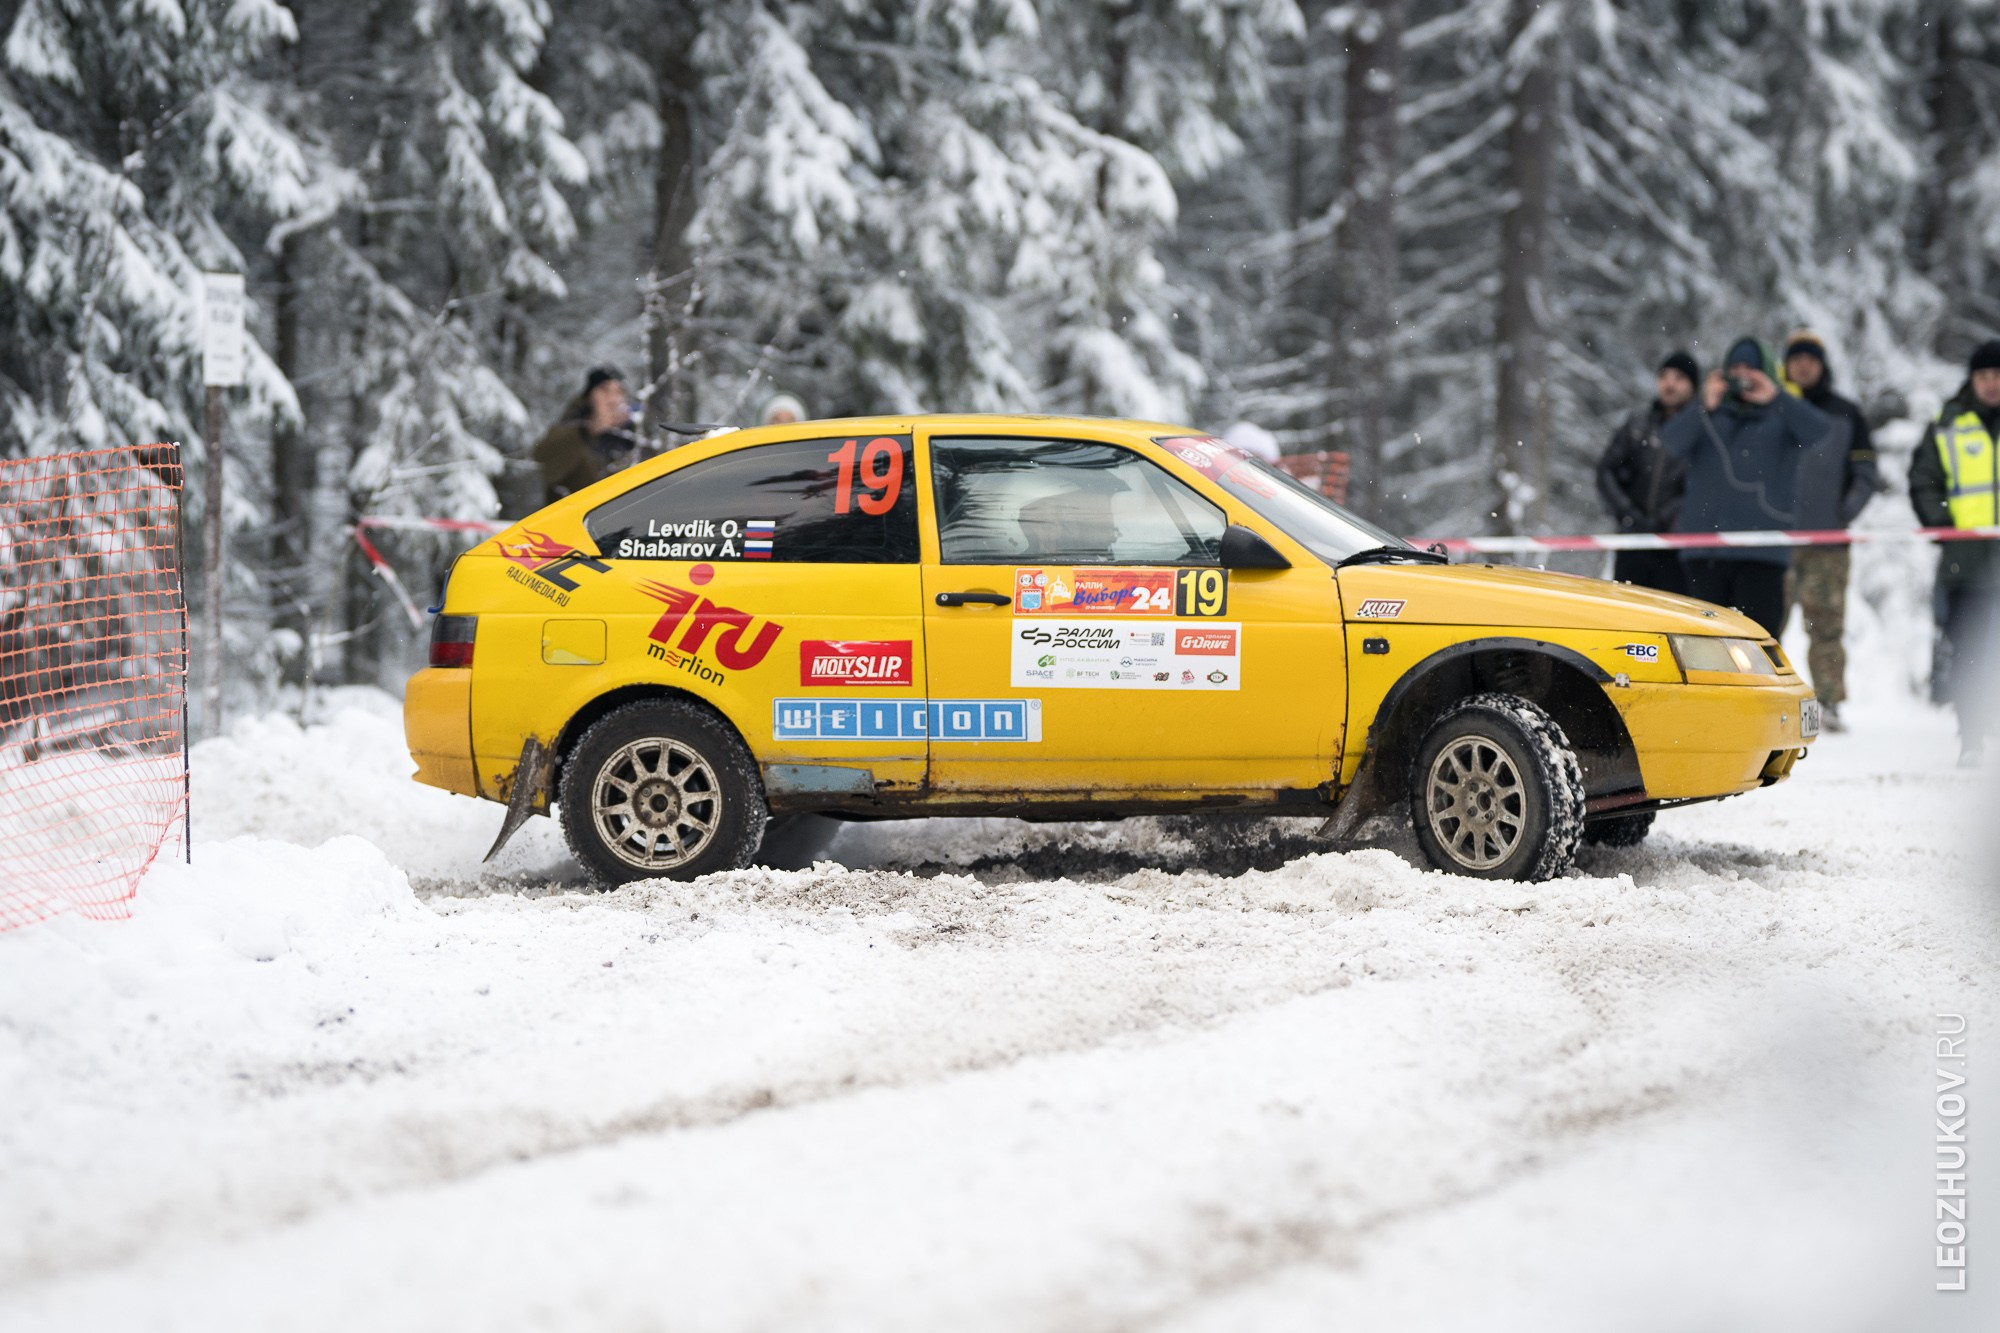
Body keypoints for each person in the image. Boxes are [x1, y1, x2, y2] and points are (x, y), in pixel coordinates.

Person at [1661, 336, 1832, 637]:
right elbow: (1670, 443)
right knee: (1702, 647)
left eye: (1751, 369)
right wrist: (1703, 404)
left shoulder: (1783, 416)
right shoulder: (1708, 416)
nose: (1742, 376)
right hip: (1705, 552)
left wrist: (1776, 397)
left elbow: (1820, 432)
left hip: (1762, 554)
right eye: (1735, 368)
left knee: (1756, 648)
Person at [1777, 330, 1882, 732]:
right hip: (1776, 544)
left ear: (1822, 364)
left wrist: (1844, 512)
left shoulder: (1846, 413)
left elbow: (1866, 471)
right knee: (1767, 627)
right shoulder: (1773, 409)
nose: (1803, 365)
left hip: (1827, 545)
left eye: (1810, 358)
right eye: (1796, 358)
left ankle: (1830, 702)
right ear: (1786, 365)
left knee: (1826, 627)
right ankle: (1770, 702)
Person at [1909, 338, 2000, 767]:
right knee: (1969, 653)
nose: (1992, 383)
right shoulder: (1948, 424)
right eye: (1984, 375)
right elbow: (1924, 479)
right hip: (1967, 565)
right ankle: (1973, 739)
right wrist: (1943, 528)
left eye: (1998, 375)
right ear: (1972, 379)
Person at [1595, 350, 1697, 594]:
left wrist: (1667, 517)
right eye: (1664, 376)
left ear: (1693, 386)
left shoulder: (1700, 430)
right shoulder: (1637, 425)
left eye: (1679, 377)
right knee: (1628, 617)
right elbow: (1606, 471)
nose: (1670, 384)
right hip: (1633, 542)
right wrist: (1627, 513)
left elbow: (1702, 486)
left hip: (1678, 548)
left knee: (1674, 622)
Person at [531, 367, 643, 506]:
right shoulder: (570, 428)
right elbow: (542, 461)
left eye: (619, 391)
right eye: (604, 390)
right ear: (590, 396)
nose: (613, 399)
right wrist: (588, 431)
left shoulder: (635, 436)